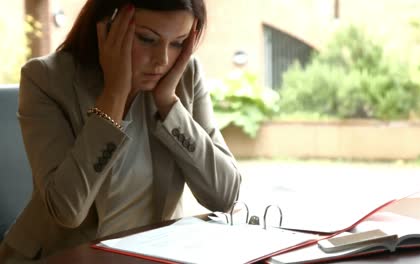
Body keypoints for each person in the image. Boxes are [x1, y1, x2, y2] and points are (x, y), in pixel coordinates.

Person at [0, 0, 241, 261]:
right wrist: (114, 95)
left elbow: (224, 196)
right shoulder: (46, 79)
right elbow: (67, 210)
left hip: (146, 256)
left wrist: (169, 105)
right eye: (147, 39)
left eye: (178, 43)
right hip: (59, 256)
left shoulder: (185, 75)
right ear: (107, 26)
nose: (162, 60)